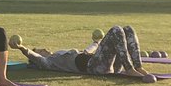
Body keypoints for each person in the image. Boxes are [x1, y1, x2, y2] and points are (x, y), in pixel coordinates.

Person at [13, 24, 146, 76]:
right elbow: (35, 58)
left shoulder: (59, 53)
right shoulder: (50, 61)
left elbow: (87, 51)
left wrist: (96, 43)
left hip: (104, 64)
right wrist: (22, 48)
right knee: (116, 30)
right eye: (40, 50)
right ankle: (129, 69)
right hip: (95, 67)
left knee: (128, 29)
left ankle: (138, 67)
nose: (44, 49)